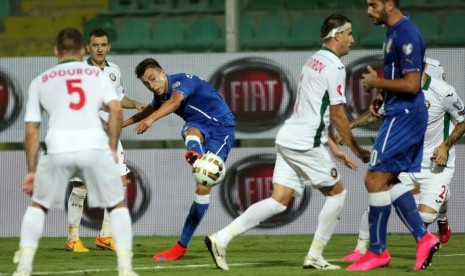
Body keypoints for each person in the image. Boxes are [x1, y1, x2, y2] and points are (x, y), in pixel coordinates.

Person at [204, 14, 371, 271]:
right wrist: (358, 150)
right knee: (338, 193)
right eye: (349, 35)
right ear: (337, 35)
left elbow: (314, 110)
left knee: (279, 200)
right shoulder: (335, 66)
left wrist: (334, 147)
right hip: (305, 143)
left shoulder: (313, 60)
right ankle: (315, 256)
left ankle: (220, 239)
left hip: (288, 137)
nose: (353, 40)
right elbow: (337, 114)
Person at [13, 28, 137, 276]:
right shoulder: (95, 76)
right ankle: (125, 268)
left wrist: (31, 170)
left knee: (38, 205)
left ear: (56, 51)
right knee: (116, 197)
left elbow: (31, 131)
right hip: (92, 141)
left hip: (58, 143)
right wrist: (112, 147)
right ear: (83, 50)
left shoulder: (41, 81)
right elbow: (115, 111)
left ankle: (24, 267)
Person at [346, 0, 440, 271]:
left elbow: (412, 84)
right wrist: (382, 94)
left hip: (404, 116)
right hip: (401, 111)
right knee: (390, 182)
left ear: (390, 4)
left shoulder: (406, 33)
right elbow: (402, 80)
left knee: (374, 178)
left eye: (373, 4)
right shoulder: (393, 33)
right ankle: (424, 239)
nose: (369, 10)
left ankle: (377, 251)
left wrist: (377, 82)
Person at [341, 58, 465, 262]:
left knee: (425, 218)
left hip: (437, 165)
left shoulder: (443, 91)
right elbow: (376, 115)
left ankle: (442, 209)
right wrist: (350, 127)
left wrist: (445, 145)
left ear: (422, 67)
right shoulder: (397, 92)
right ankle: (360, 250)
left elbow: (463, 120)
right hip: (407, 161)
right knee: (377, 201)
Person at [122, 58, 235, 261]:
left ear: (163, 72)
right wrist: (122, 124)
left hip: (221, 128)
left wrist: (150, 120)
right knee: (190, 129)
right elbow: (149, 110)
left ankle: (181, 245)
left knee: (202, 189)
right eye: (146, 84)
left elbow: (175, 102)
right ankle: (197, 155)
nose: (152, 85)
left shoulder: (182, 81)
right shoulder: (161, 95)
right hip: (198, 125)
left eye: (153, 79)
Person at [65, 28, 146, 252]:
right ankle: (72, 239)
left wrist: (137, 104)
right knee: (81, 185)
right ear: (88, 48)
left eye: (103, 45)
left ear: (108, 47)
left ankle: (105, 236)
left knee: (120, 182)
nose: (99, 49)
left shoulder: (114, 71)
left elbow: (119, 98)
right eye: (95, 45)